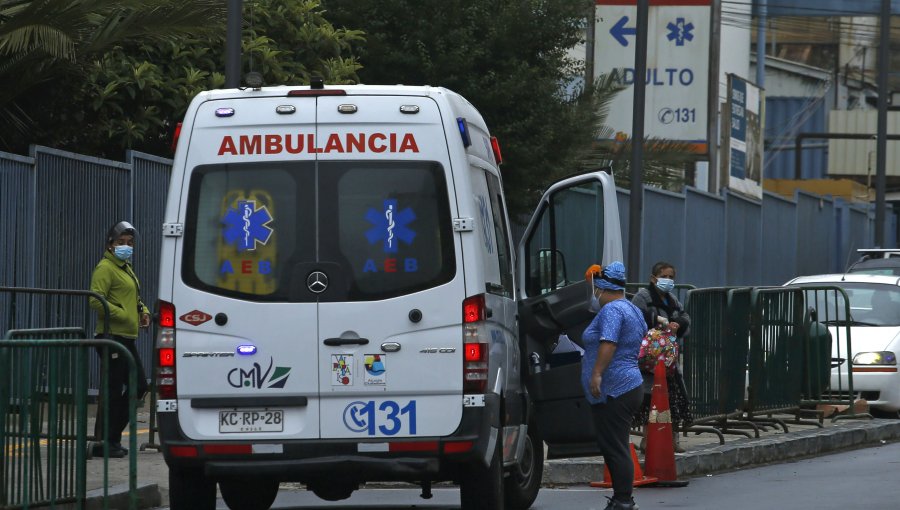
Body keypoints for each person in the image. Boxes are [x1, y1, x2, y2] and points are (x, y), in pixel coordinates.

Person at [582, 261, 646, 510]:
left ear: (602, 287)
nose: (594, 293)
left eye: (595, 288)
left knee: (615, 446)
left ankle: (623, 500)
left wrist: (596, 373)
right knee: (616, 443)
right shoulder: (631, 309)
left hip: (615, 387)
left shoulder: (611, 311)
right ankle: (623, 498)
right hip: (630, 384)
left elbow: (609, 342)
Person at [88, 221, 150, 458]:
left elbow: (134, 297)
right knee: (115, 390)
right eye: (121, 243)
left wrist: (142, 311)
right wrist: (125, 315)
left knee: (139, 386)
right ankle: (107, 441)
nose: (126, 247)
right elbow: (95, 300)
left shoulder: (125, 267)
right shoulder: (105, 268)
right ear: (110, 244)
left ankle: (111, 438)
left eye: (130, 243)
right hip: (111, 336)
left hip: (126, 337)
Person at [631, 261, 693, 453]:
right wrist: (658, 325)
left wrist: (677, 324)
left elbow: (685, 319)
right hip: (648, 361)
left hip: (669, 360)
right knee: (651, 401)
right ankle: (647, 440)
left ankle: (673, 440)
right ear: (653, 278)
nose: (667, 280)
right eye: (664, 276)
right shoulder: (643, 297)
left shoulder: (673, 300)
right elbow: (636, 319)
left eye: (671, 277)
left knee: (672, 400)